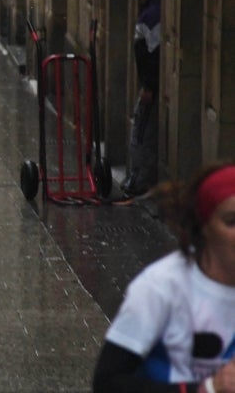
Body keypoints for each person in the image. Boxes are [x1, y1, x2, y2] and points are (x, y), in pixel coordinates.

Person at [92, 163, 235, 392]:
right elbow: (108, 382)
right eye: (232, 221)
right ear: (205, 226)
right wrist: (207, 388)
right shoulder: (161, 287)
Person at [121, 0, 161, 199]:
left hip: (149, 87)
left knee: (140, 130)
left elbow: (152, 54)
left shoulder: (151, 14)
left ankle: (138, 179)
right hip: (150, 84)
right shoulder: (151, 11)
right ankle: (138, 178)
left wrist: (148, 86)